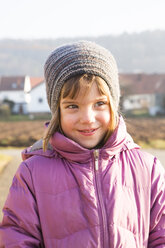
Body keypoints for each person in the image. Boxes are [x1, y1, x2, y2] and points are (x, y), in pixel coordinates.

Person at [0, 41, 165, 247]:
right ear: (56, 111)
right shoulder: (32, 174)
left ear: (113, 104)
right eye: (72, 106)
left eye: (99, 103)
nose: (87, 118)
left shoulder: (147, 169)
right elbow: (17, 238)